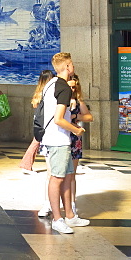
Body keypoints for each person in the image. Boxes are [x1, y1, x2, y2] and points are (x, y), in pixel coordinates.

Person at [36, 52, 86, 234]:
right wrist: (77, 130)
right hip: (59, 139)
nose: (73, 67)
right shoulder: (63, 88)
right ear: (67, 67)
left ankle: (70, 216)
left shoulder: (50, 84)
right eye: (71, 64)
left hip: (54, 138)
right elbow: (58, 119)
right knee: (57, 178)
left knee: (65, 177)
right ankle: (58, 219)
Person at [20, 70, 54, 174]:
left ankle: (26, 165)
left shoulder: (39, 90)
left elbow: (35, 105)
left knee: (36, 142)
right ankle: (26, 165)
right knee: (36, 142)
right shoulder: (47, 91)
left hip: (39, 120)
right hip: (44, 121)